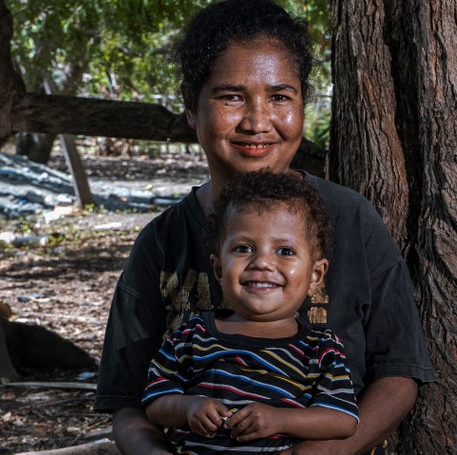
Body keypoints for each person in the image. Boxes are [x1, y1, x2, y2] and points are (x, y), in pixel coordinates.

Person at [95, 0, 436, 454]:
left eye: (280, 97)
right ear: (191, 107)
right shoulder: (162, 242)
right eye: (231, 96)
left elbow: (399, 375)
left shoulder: (351, 219)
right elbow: (127, 401)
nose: (258, 122)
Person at [142, 171, 357, 453]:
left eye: (285, 251)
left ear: (315, 275)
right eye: (244, 248)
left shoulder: (320, 350)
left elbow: (342, 419)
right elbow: (156, 400)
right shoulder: (191, 337)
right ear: (219, 268)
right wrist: (188, 407)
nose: (263, 262)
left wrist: (280, 420)